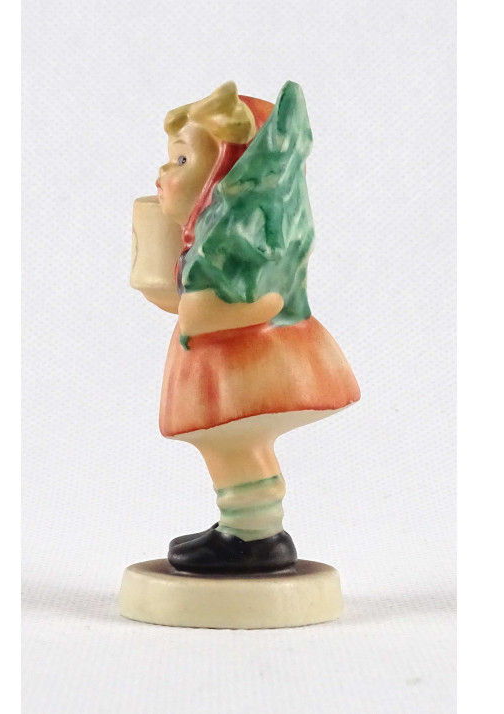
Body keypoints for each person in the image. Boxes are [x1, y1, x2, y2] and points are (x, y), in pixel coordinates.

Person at [151, 80, 360, 573]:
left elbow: (264, 302)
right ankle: (243, 526)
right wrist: (154, 277)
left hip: (252, 369)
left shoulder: (245, 246)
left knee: (235, 442)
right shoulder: (205, 244)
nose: (163, 172)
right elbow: (182, 304)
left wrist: (201, 311)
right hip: (223, 366)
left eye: (182, 159)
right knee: (225, 445)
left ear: (228, 173)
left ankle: (257, 535)